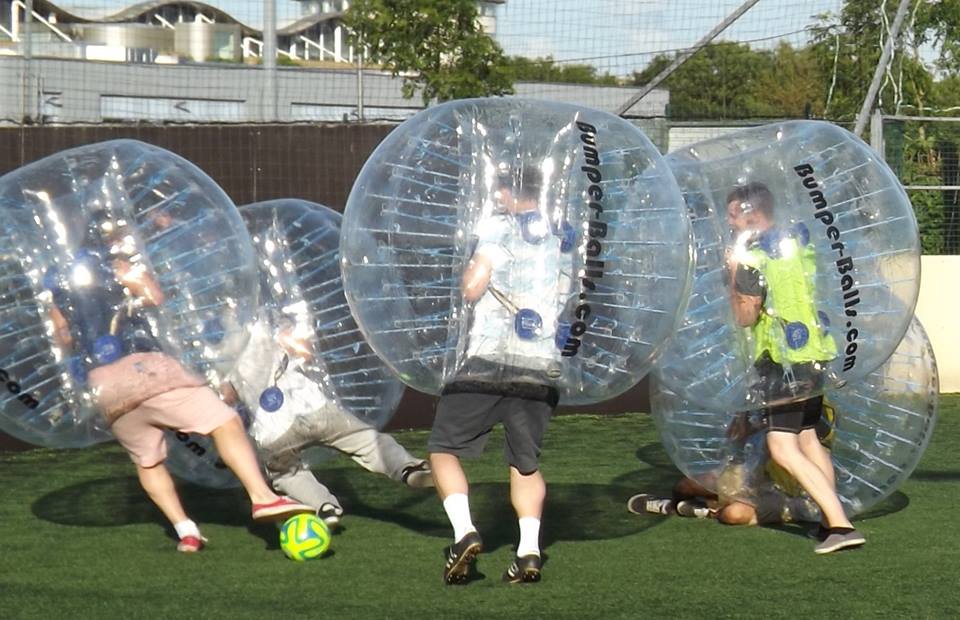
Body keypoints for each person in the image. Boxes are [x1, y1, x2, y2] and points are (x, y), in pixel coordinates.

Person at [48, 218, 313, 553]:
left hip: (104, 386)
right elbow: (154, 296)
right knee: (225, 421)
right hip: (145, 368)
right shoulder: (117, 264)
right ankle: (262, 498)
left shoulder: (60, 284)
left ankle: (185, 529)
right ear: (110, 241)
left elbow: (64, 336)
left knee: (148, 461)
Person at [429, 166, 571, 585]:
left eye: (500, 192)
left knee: (442, 447)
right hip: (540, 362)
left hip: (489, 358)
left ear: (509, 193)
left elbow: (472, 286)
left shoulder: (499, 227)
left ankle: (463, 532)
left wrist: (468, 274)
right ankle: (528, 550)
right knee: (524, 463)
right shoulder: (561, 237)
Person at [724, 181, 864, 554]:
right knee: (808, 438)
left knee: (782, 446)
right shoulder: (799, 243)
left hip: (783, 361)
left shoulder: (753, 257)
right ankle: (826, 520)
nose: (730, 220)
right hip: (816, 351)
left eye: (734, 213)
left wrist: (733, 272)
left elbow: (745, 316)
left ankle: (840, 524)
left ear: (751, 213)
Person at [223, 315, 434, 532]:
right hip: (312, 405)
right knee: (367, 442)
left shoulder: (218, 349)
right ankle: (407, 468)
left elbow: (227, 396)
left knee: (287, 474)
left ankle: (324, 507)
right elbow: (304, 351)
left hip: (272, 429)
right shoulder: (263, 321)